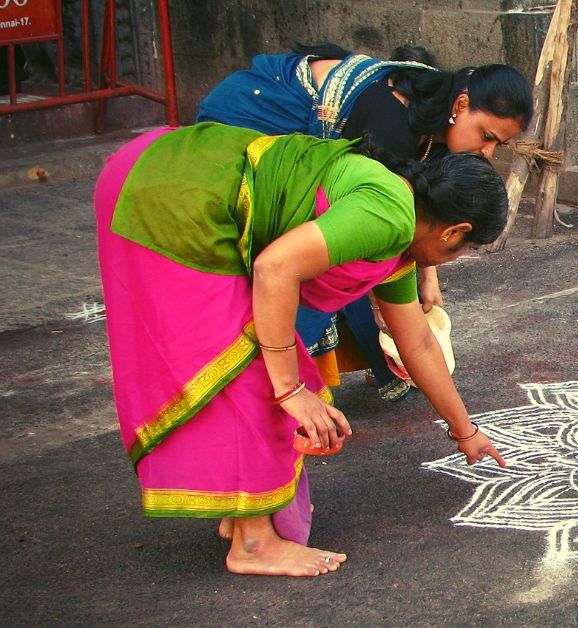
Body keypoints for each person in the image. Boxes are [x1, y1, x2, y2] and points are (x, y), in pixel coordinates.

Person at [95, 122, 508, 576]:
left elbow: (418, 342)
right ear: (454, 231)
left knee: (262, 363)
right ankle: (254, 541)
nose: (445, 263)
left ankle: (242, 513)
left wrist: (465, 432)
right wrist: (290, 390)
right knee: (260, 374)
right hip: (173, 192)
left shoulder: (398, 234)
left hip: (168, 174)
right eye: (459, 252)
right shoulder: (388, 214)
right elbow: (275, 269)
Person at [196, 45, 533, 400]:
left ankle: (301, 377)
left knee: (368, 261)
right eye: (487, 137)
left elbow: (424, 218)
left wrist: (428, 274)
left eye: (499, 144)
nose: (488, 152)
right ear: (461, 106)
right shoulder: (391, 126)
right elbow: (380, 245)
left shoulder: (440, 131)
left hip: (319, 174)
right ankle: (257, 385)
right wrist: (385, 308)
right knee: (324, 266)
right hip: (249, 122)